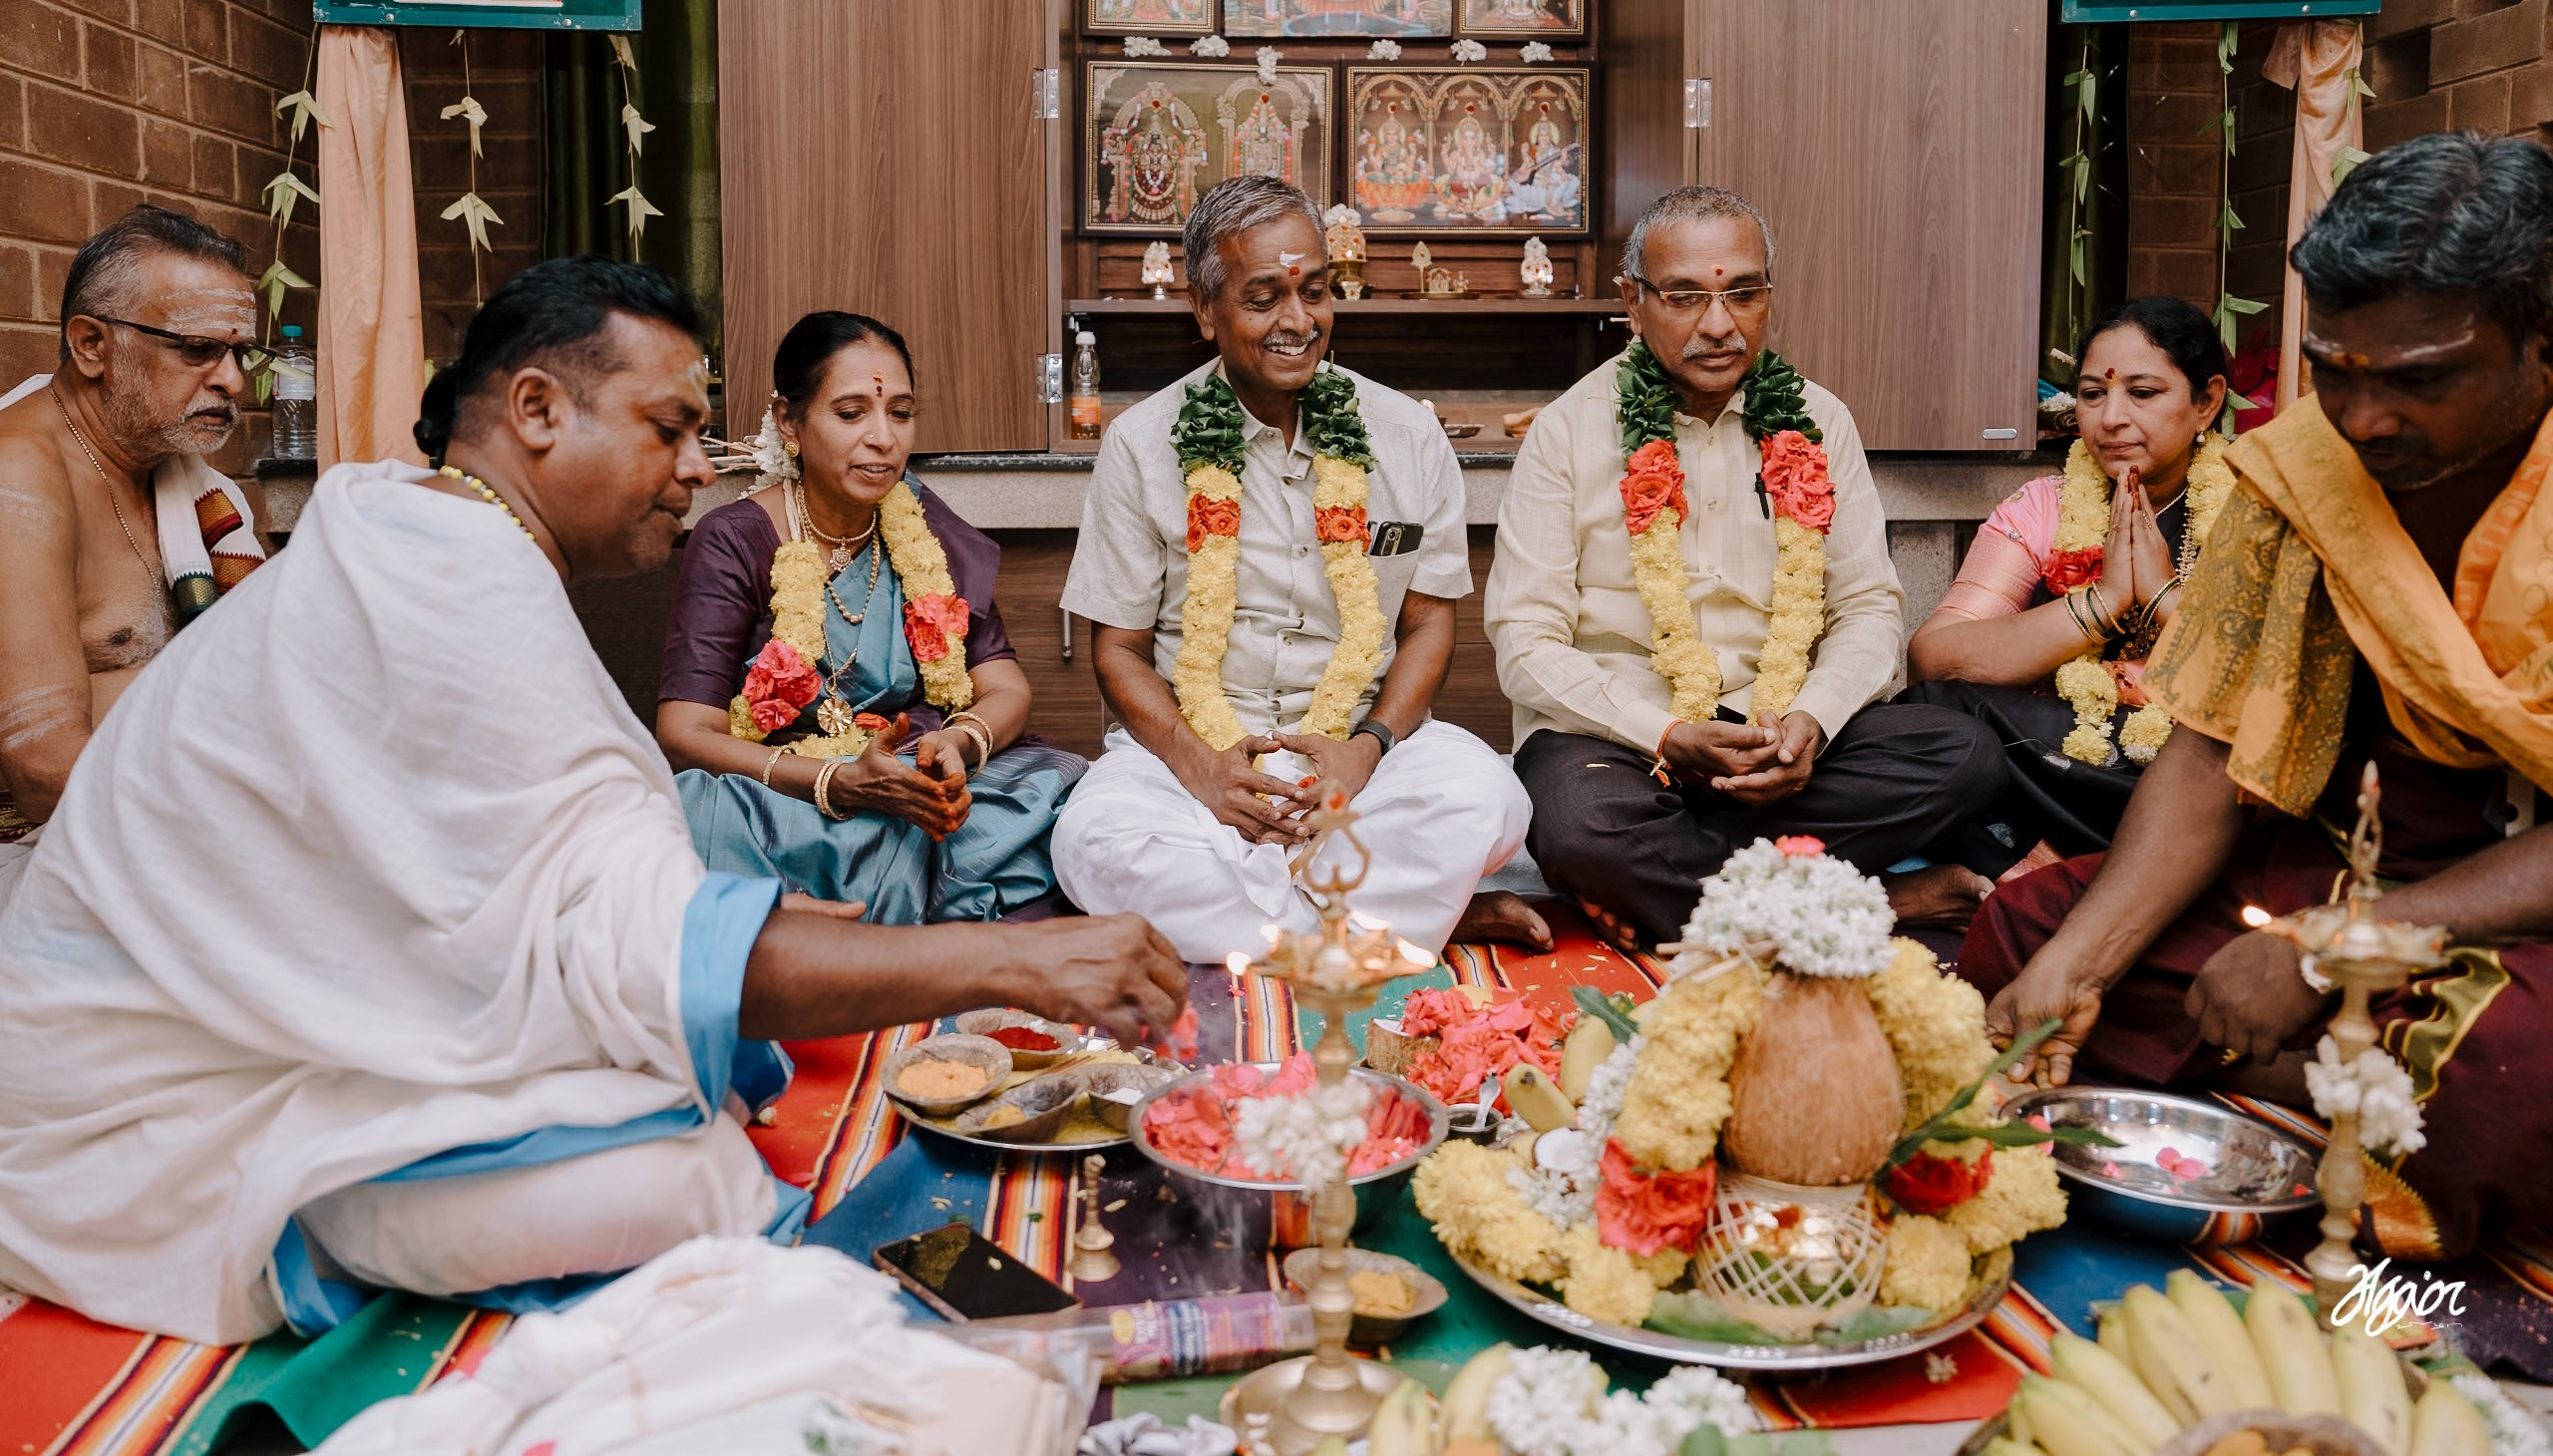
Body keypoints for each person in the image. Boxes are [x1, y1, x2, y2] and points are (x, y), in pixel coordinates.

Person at [0, 256, 1189, 1344]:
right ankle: (290, 1225)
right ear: (535, 411)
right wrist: (1025, 968)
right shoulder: (449, 575)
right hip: (142, 1126)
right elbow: (640, 932)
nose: (695, 466)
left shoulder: (433, 538)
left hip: (238, 1036)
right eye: (670, 427)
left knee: (678, 1061)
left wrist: (706, 920)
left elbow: (462, 888)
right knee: (691, 1171)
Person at [1964, 134, 2553, 1259]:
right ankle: (2318, 1071)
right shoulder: (2304, 470)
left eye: (2419, 378)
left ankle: (2306, 1060)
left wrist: (2328, 949)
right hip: (2339, 854)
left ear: (2541, 342)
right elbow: (2205, 749)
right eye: (2334, 368)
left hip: (2511, 907)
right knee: (2026, 939)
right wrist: (2077, 968)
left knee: (2496, 1070)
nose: (2365, 418)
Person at [1487, 184, 2006, 951]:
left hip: (1782, 746)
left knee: (1966, 755)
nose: (1720, 324)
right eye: (1687, 297)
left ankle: (1684, 890)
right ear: (1633, 302)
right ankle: (1870, 902)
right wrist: (1663, 733)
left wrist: (1814, 721)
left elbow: (1867, 608)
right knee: (1580, 827)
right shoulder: (1568, 432)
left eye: (1744, 293)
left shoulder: (1820, 421)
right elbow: (1525, 643)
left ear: (1769, 294)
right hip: (1627, 746)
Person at [1050, 176, 1537, 962]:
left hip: (1358, 748)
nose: (1298, 321)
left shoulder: (1406, 435)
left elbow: (1429, 624)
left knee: (1489, 800)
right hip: (1196, 755)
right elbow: (1118, 649)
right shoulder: (1143, 443)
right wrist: (1206, 771)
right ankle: (1391, 919)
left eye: (1314, 290)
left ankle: (1271, 913)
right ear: (1204, 309)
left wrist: (1368, 747)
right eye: (1265, 296)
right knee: (1093, 845)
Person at [656, 312, 1084, 922]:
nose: (884, 438)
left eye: (901, 413)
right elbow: (685, 732)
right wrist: (832, 781)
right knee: (685, 814)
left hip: (922, 785)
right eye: (852, 413)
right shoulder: (736, 538)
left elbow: (1005, 686)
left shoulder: (925, 529)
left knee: (1079, 803)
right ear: (789, 422)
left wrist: (957, 742)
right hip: (787, 795)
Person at [1904, 298, 2232, 870]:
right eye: (2092, 393)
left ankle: (2031, 870)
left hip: (2187, 766)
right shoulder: (2043, 506)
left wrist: (2158, 595)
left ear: (2207, 402)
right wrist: (2102, 602)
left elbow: (2264, 678)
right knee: (1930, 713)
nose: (2111, 419)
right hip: (2051, 752)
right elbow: (1936, 658)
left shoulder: (2248, 512)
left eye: (2144, 393)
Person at [0, 207, 266, 895]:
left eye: (241, 352)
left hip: (162, 827)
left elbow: (270, 670)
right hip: (49, 858)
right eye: (197, 349)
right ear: (90, 344)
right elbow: (42, 768)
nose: (234, 381)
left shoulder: (194, 487)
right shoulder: (18, 476)